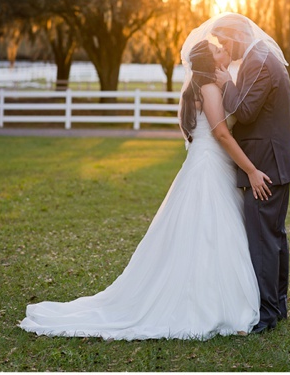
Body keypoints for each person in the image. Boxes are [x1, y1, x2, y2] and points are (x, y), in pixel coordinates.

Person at [19, 38, 272, 340]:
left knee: (205, 234)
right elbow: (221, 133)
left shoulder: (204, 87)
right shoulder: (208, 89)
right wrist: (251, 170)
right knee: (209, 232)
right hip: (209, 167)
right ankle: (210, 304)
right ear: (209, 60)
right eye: (218, 50)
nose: (225, 51)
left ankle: (207, 295)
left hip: (207, 164)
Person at [211, 12, 290, 334]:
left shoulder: (259, 61)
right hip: (271, 162)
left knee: (264, 239)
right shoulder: (259, 57)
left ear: (236, 37)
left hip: (265, 165)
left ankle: (267, 315)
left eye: (223, 41)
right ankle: (278, 305)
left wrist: (225, 83)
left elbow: (245, 112)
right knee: (273, 237)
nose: (223, 47)